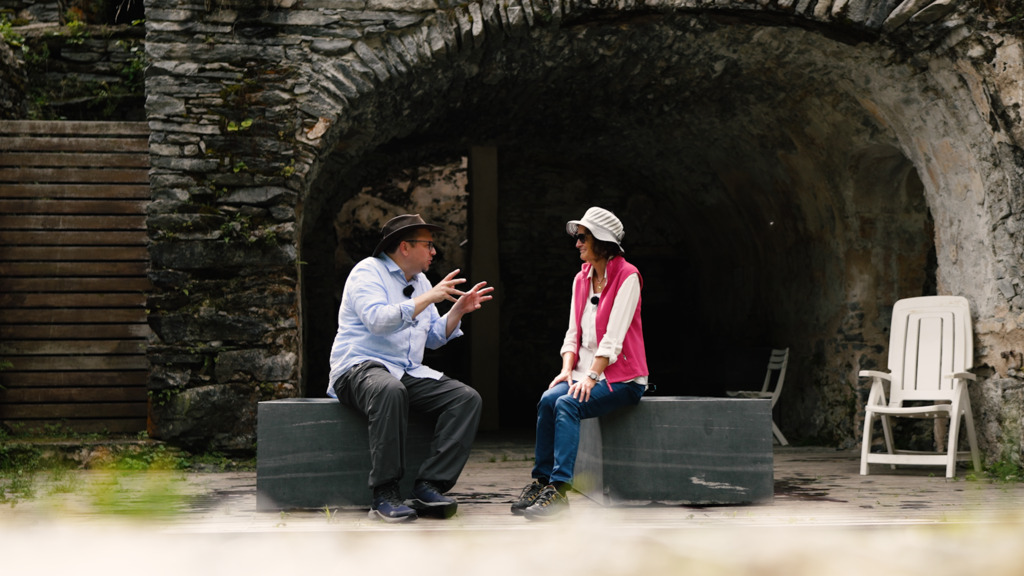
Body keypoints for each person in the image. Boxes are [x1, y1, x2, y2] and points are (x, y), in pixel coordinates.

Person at [327, 213, 494, 523]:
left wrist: (456, 311)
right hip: (358, 367)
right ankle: (384, 494)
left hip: (404, 371)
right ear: (404, 247)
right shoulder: (367, 272)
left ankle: (430, 485)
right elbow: (378, 320)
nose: (434, 252)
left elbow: (431, 338)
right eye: (428, 245)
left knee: (466, 399)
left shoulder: (421, 282)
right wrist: (428, 297)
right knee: (391, 390)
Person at [512, 206, 648, 520]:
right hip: (585, 373)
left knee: (568, 404)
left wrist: (590, 376)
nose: (577, 243)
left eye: (582, 237)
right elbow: (573, 333)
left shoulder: (628, 277)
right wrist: (566, 371)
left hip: (622, 380)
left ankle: (559, 491)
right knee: (548, 400)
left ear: (601, 240)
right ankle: (542, 481)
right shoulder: (581, 278)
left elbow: (613, 338)